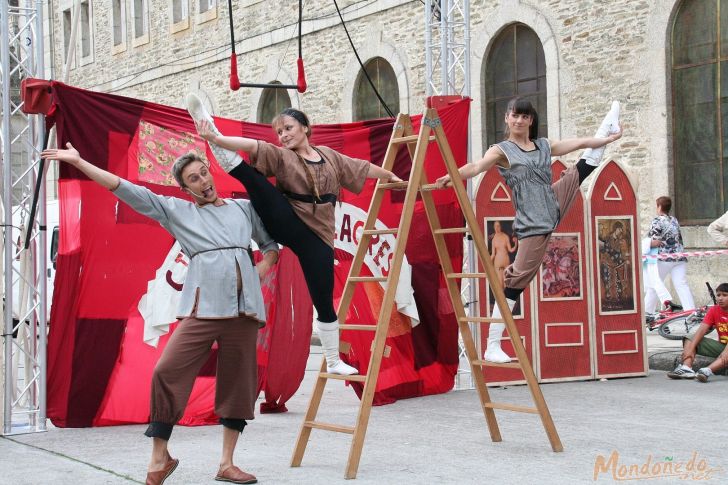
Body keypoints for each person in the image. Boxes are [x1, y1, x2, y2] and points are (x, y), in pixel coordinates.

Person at [41, 145, 278, 485]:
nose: (202, 181)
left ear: (211, 173)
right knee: (166, 372)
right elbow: (124, 188)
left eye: (204, 173)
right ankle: (160, 456)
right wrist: (80, 161)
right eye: (193, 179)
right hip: (202, 308)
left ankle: (227, 463)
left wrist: (263, 266)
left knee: (238, 385)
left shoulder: (244, 209)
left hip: (244, 308)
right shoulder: (177, 211)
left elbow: (271, 246)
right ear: (186, 189)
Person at [186, 95, 402, 376]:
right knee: (253, 179)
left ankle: (334, 360)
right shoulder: (283, 156)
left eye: (288, 128)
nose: (283, 135)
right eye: (279, 132)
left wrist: (390, 175)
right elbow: (253, 146)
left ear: (305, 128)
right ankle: (208, 124)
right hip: (287, 218)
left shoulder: (329, 156)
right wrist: (217, 138)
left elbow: (360, 167)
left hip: (318, 236)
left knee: (323, 298)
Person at [436, 97, 622, 363]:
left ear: (531, 120)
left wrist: (605, 140)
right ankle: (492, 343)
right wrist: (452, 175)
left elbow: (579, 143)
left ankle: (607, 124)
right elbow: (476, 166)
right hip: (534, 221)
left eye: (525, 116)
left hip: (552, 203)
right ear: (507, 118)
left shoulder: (543, 146)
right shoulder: (502, 151)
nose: (519, 120)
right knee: (516, 279)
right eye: (515, 115)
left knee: (582, 168)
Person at [667, 283, 728, 382]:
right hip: (721, 347)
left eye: (724, 295)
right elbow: (701, 330)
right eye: (718, 295)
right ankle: (686, 368)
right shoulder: (713, 310)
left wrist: (726, 352)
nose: (720, 298)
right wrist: (690, 349)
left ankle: (706, 371)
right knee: (690, 337)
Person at [644, 196, 695, 312]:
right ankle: (691, 311)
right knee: (682, 285)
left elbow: (655, 241)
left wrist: (645, 244)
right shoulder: (674, 220)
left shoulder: (657, 221)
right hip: (679, 258)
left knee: (654, 285)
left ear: (659, 207)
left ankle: (646, 314)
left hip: (664, 258)